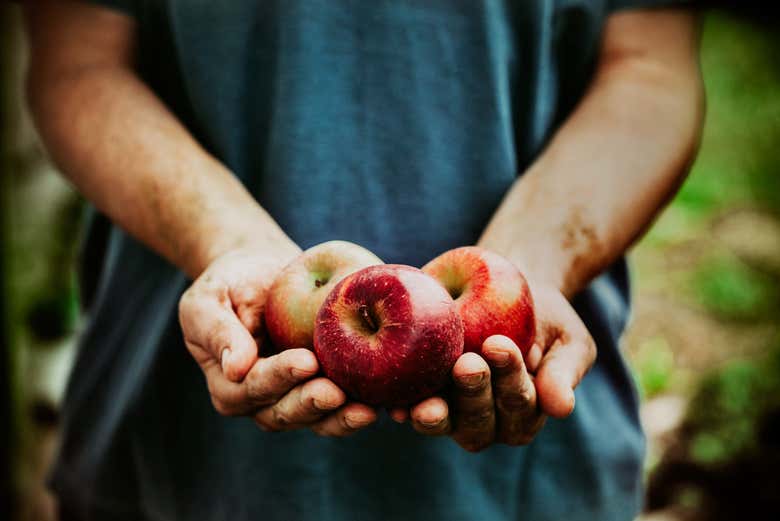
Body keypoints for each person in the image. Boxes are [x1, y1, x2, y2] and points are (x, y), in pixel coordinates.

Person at [23, 0, 703, 520]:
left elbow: (649, 65)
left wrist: (537, 260)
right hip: (175, 449)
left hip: (534, 473)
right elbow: (77, 61)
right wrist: (224, 241)